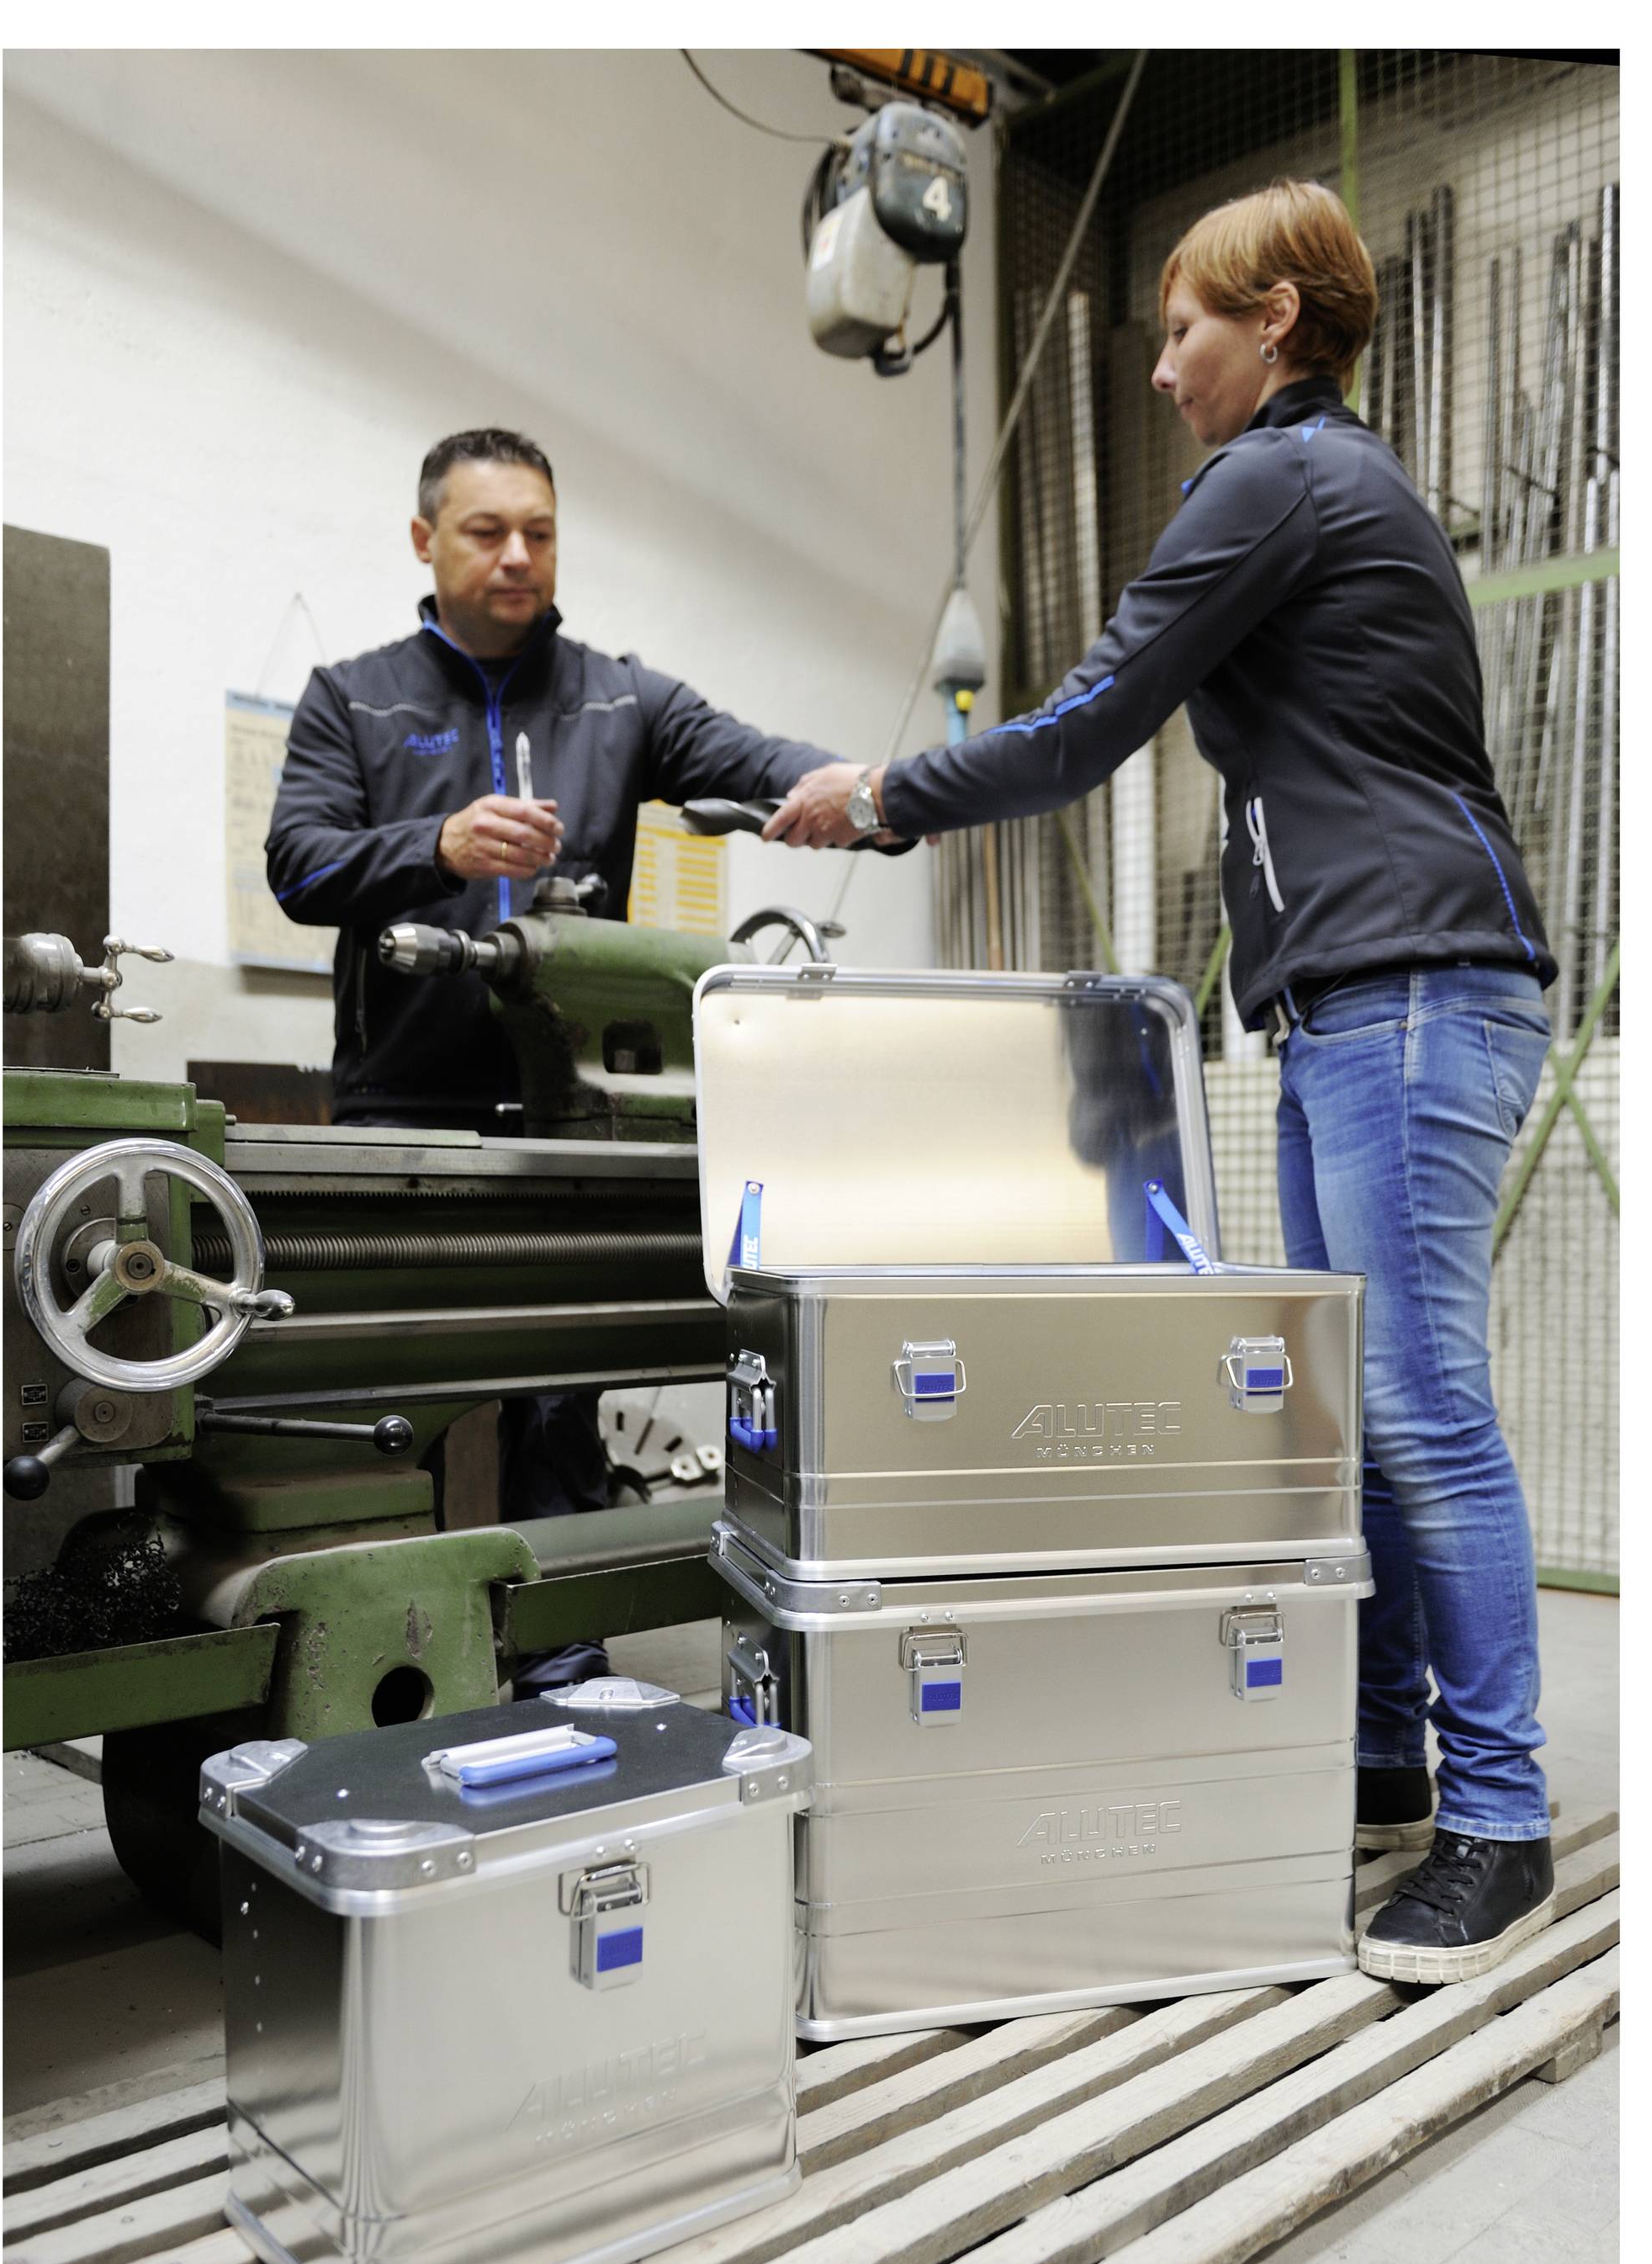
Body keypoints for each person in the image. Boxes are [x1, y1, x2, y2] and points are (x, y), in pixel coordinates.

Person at [765, 181, 1559, 1988]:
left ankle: (1497, 1825)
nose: (1158, 371)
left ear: (1273, 322)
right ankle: (1377, 1758)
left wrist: (885, 797)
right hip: (1349, 997)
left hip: (1410, 989)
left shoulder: (1276, 478)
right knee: (1346, 1410)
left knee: (1419, 1408)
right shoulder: (1319, 490)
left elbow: (1086, 724)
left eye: (1181, 328)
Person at [267, 425, 842, 1685]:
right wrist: (441, 844)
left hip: (566, 1112)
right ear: (426, 540)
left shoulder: (617, 698)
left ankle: (561, 1660)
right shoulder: (352, 698)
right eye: (487, 532)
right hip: (402, 1108)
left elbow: (757, 762)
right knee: (390, 1405)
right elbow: (298, 863)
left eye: (539, 531)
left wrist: (866, 787)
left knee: (557, 1398)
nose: (519, 556)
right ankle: (390, 1667)